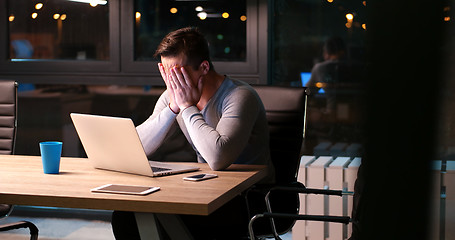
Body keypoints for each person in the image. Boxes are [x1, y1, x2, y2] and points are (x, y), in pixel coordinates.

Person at [111, 26, 274, 240]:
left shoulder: (240, 96)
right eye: (166, 72)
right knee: (126, 216)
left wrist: (188, 107)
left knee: (169, 219)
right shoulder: (173, 96)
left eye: (178, 72)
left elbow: (218, 158)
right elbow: (137, 147)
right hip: (206, 190)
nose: (173, 82)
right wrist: (172, 109)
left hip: (250, 197)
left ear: (204, 67)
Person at [306, 36, 346, 114]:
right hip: (356, 117)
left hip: (332, 116)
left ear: (326, 52)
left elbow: (307, 93)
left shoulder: (320, 68)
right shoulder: (357, 67)